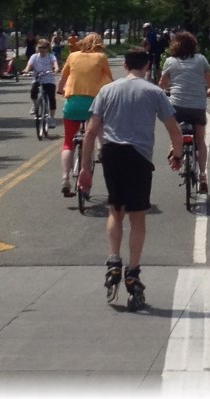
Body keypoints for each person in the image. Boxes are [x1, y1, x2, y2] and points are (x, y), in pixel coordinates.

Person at [78, 47, 184, 306]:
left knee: (116, 210)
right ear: (147, 66)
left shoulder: (107, 91)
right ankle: (133, 272)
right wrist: (177, 155)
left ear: (124, 65)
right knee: (137, 216)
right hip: (139, 156)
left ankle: (113, 260)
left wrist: (84, 169)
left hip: (112, 153)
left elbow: (91, 132)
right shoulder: (154, 92)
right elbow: (174, 129)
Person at [159, 30, 210, 194]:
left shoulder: (170, 62)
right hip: (198, 107)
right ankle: (203, 175)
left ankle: (174, 153)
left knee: (174, 133)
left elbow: (162, 86)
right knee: (200, 142)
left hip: (177, 106)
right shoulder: (201, 60)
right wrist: (207, 92)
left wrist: (164, 93)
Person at [57, 32, 113, 196]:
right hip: (93, 103)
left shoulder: (73, 56)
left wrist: (61, 90)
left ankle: (65, 178)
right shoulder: (101, 57)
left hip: (73, 104)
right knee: (99, 125)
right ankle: (101, 147)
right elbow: (110, 78)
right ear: (99, 44)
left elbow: (62, 79)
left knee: (68, 142)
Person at [21, 39, 59, 127]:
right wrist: (26, 70)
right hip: (38, 78)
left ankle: (51, 118)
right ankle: (36, 106)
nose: (41, 49)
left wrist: (56, 69)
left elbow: (55, 64)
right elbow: (29, 65)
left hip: (49, 79)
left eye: (44, 48)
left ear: (47, 48)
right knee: (33, 91)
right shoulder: (34, 57)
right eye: (40, 47)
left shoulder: (51, 56)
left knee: (51, 98)